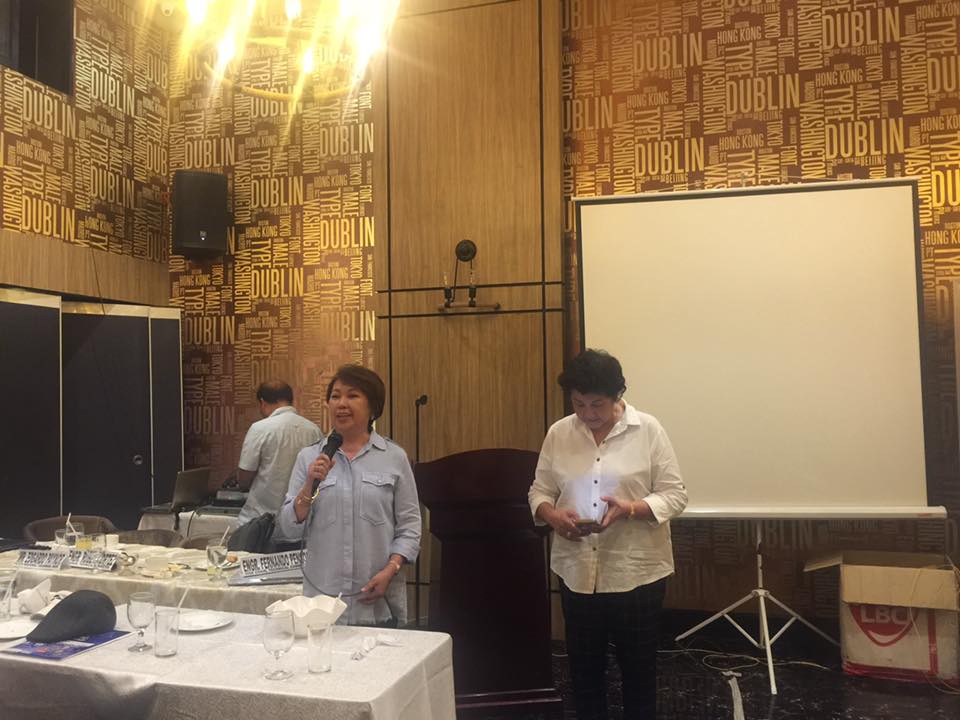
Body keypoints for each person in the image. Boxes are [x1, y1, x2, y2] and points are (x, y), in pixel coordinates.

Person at [528, 349, 687, 720]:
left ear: (618, 395)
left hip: (636, 573)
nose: (587, 414)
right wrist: (552, 516)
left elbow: (675, 495)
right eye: (579, 404)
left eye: (597, 404)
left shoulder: (648, 430)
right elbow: (539, 491)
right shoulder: (560, 433)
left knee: (639, 673)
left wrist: (629, 508)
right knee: (584, 674)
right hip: (577, 572)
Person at [275, 364, 421, 627]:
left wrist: (392, 569)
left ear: (373, 407)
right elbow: (287, 529)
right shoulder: (309, 457)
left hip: (376, 605)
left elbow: (410, 527)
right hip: (322, 607)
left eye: (352, 395)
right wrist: (309, 486)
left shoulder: (394, 458)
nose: (341, 404)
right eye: (335, 396)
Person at [235, 380, 321, 525]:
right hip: (299, 520)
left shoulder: (259, 428)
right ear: (290, 400)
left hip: (260, 521)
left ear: (263, 402)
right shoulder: (314, 430)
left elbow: (244, 478)